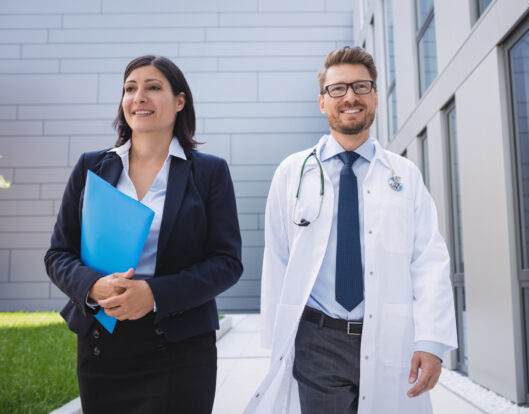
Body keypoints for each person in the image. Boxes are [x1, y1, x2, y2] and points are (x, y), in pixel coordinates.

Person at [244, 46, 457, 414]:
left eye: (361, 86)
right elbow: (277, 258)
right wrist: (277, 340)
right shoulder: (292, 173)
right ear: (322, 102)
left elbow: (429, 261)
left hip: (392, 336)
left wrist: (432, 341)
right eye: (337, 89)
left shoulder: (404, 176)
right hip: (317, 339)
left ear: (375, 96)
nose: (350, 97)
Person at [44, 55, 243, 414]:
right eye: (130, 88)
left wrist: (153, 295)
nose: (139, 96)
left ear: (179, 101)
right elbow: (58, 254)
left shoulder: (209, 172)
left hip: (179, 348)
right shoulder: (92, 167)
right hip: (102, 346)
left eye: (153, 87)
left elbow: (227, 263)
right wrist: (92, 286)